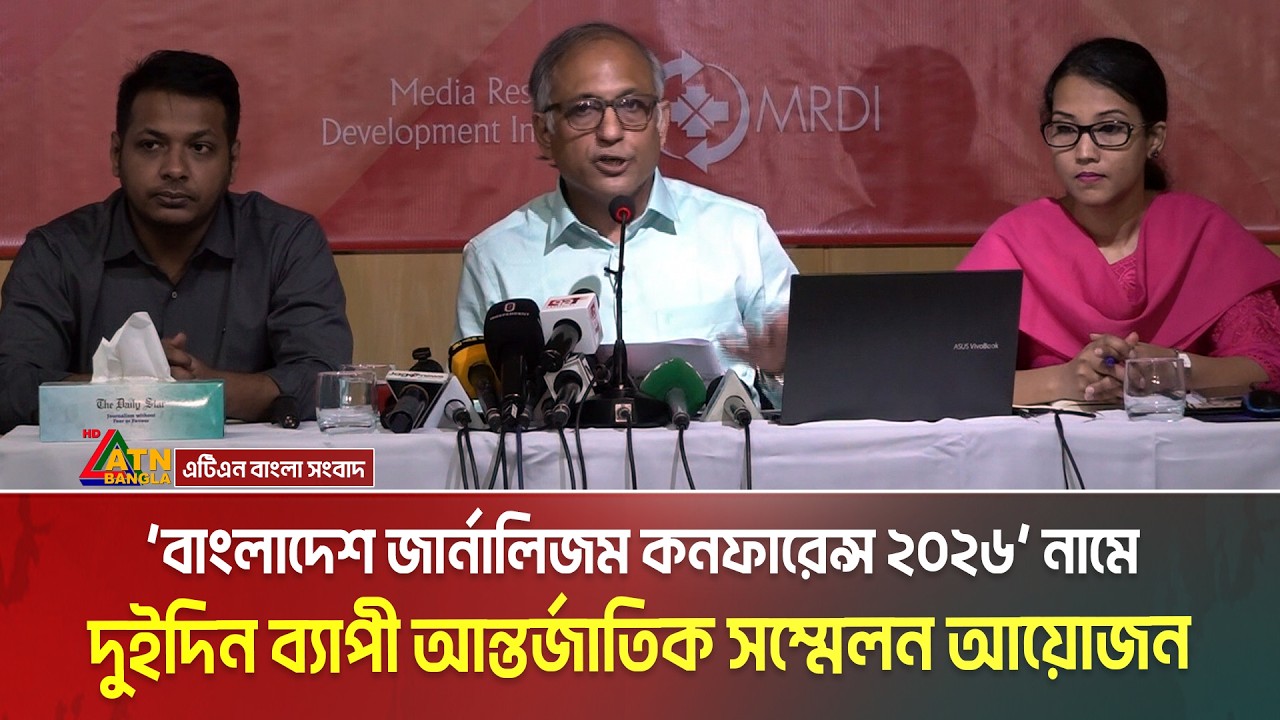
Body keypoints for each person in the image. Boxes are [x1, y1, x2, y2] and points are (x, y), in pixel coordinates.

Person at [0, 50, 352, 434]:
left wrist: (199, 389)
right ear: (116, 154)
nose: (174, 169)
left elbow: (325, 380)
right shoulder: (56, 252)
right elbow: (10, 385)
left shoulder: (286, 243)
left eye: (200, 148)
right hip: (95, 470)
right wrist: (125, 388)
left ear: (233, 161)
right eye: (151, 145)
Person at [454, 22, 795, 390]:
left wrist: (780, 371)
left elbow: (807, 389)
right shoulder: (495, 258)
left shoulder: (739, 233)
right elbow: (480, 407)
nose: (611, 132)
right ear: (544, 132)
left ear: (661, 122)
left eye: (631, 106)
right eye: (584, 109)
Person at [959, 38, 1280, 405]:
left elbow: (1267, 367)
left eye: (1110, 128)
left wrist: (1170, 369)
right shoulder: (1014, 243)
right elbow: (950, 375)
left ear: (1154, 138)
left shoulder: (1203, 234)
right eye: (1065, 129)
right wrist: (1062, 381)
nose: (1084, 152)